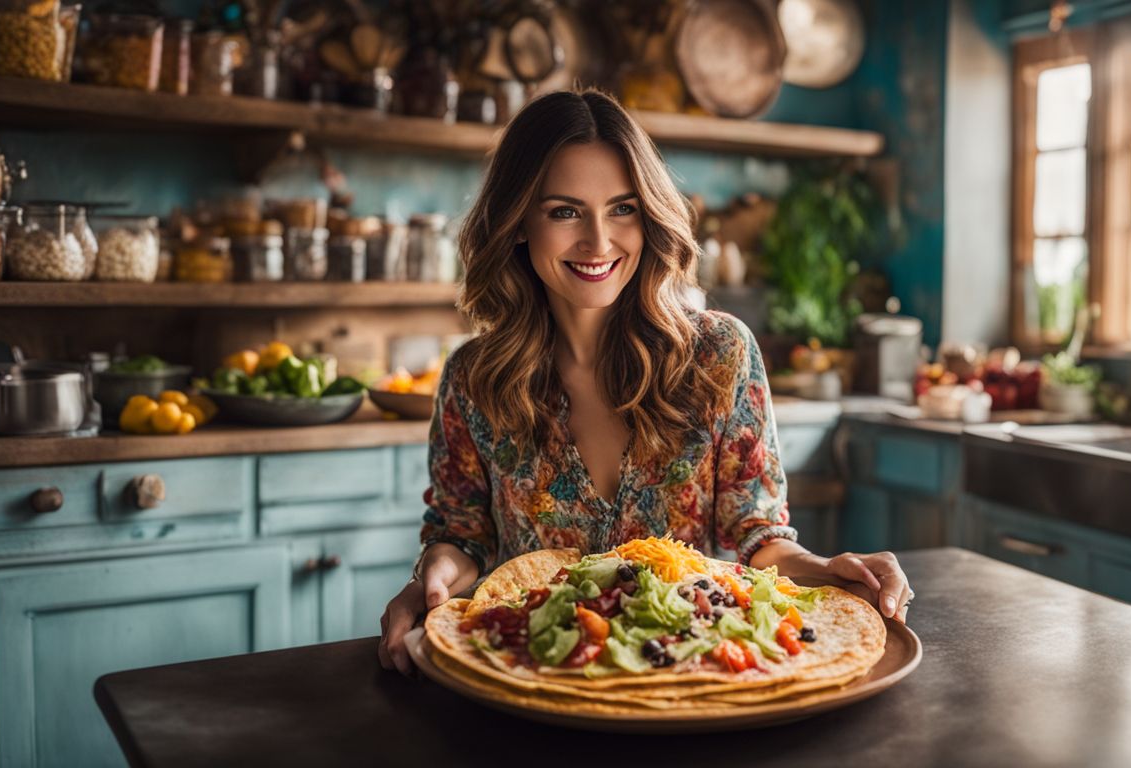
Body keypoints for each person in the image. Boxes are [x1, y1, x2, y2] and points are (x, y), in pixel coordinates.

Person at [379, 89, 911, 674]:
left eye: (622, 208)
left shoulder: (719, 354)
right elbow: (463, 537)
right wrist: (430, 579)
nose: (599, 241)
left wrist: (829, 569)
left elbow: (759, 537)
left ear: (650, 215)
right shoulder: (474, 379)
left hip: (689, 680)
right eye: (564, 211)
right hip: (538, 683)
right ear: (518, 222)